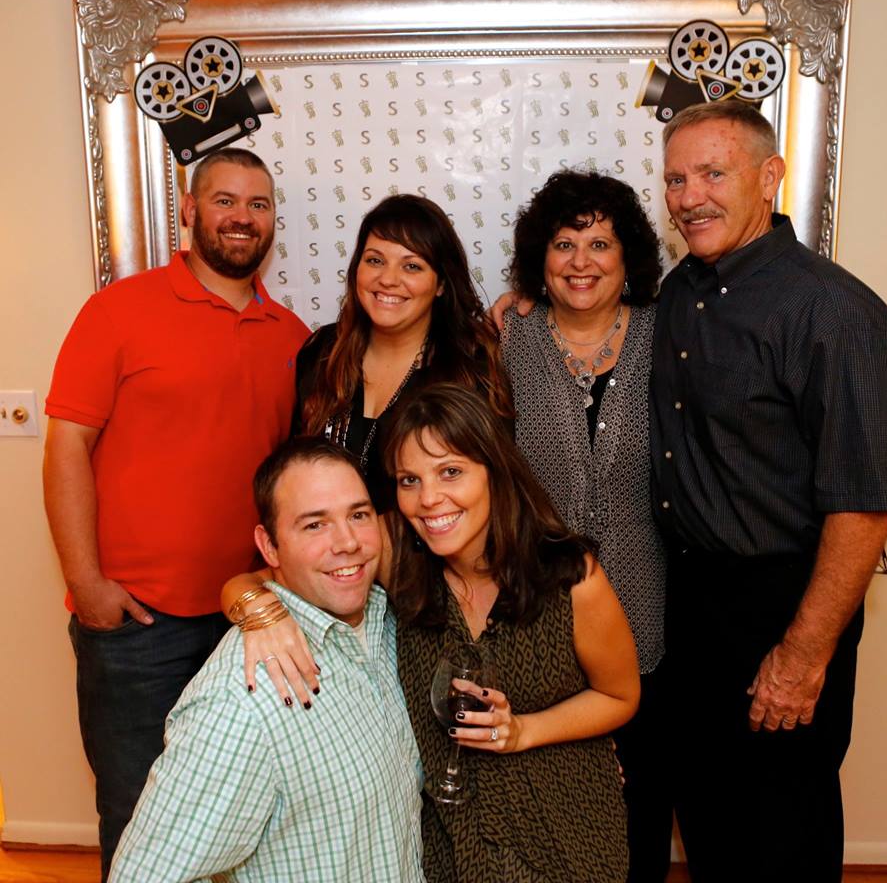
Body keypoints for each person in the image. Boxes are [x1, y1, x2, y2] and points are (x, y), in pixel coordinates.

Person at [651, 99, 887, 881]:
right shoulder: (678, 292)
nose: (690, 196)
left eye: (713, 174)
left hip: (783, 605)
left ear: (770, 178)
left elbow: (866, 505)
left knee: (781, 830)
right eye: (675, 179)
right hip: (688, 600)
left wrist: (802, 654)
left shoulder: (836, 312)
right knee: (708, 817)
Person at [42, 148, 309, 880]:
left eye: (258, 205)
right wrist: (88, 586)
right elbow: (66, 449)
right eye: (225, 200)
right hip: (136, 626)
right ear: (188, 211)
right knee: (138, 818)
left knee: (244, 815)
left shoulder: (292, 337)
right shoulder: (117, 311)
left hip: (247, 619)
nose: (242, 217)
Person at [109, 439, 424, 883]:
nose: (348, 542)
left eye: (358, 515)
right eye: (314, 525)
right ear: (269, 547)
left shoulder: (385, 624)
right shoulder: (241, 701)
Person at [381, 383, 639, 882]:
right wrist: (258, 612)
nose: (428, 499)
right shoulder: (395, 555)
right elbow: (278, 569)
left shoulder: (571, 578)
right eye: (409, 480)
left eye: (450, 471)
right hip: (450, 844)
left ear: (494, 471)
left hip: (563, 833)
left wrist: (524, 730)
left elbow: (620, 695)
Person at [500, 170, 672, 881]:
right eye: (564, 243)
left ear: (628, 257)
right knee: (548, 805)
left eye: (600, 244)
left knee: (640, 805)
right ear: (539, 257)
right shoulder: (508, 339)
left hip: (646, 608)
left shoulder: (669, 335)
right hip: (536, 612)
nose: (581, 261)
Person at [292, 192, 512, 510]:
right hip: (329, 541)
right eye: (375, 260)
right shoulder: (322, 352)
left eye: (411, 266)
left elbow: (491, 497)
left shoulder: (471, 372)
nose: (388, 279)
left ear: (441, 284)